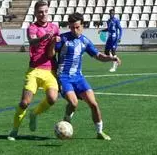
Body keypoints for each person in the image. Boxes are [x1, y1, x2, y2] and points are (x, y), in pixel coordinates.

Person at [49, 12, 121, 140]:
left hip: (78, 78)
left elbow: (98, 56)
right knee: (74, 102)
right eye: (71, 27)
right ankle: (67, 119)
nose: (74, 30)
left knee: (93, 104)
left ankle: (99, 132)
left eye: (77, 27)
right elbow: (51, 54)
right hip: (64, 78)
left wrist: (111, 58)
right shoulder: (63, 39)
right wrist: (53, 44)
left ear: (83, 26)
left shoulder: (85, 41)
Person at [7, 1, 60, 141]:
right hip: (34, 70)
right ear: (35, 13)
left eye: (45, 11)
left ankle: (34, 114)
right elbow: (32, 41)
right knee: (24, 102)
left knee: (52, 99)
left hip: (50, 70)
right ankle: (14, 130)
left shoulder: (55, 27)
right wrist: (45, 37)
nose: (43, 14)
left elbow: (57, 47)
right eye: (40, 12)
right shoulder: (32, 27)